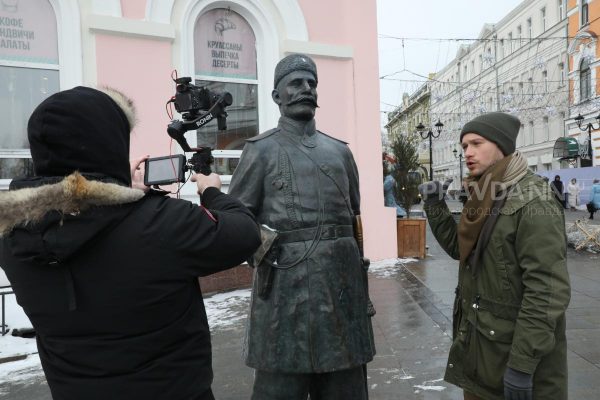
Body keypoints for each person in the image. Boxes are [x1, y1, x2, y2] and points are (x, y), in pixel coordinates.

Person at [0, 86, 261, 400]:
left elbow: (84, 215)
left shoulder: (13, 235)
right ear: (109, 143)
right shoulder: (162, 223)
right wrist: (212, 191)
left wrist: (119, 187)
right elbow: (244, 232)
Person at [228, 54, 375, 400]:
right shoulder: (259, 151)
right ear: (277, 95)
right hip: (284, 290)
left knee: (345, 384)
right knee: (279, 386)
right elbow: (237, 221)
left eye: (312, 83)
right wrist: (269, 246)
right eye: (296, 83)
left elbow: (354, 216)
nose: (306, 89)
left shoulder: (340, 152)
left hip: (340, 290)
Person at [418, 112, 570, 400]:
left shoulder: (533, 198)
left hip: (515, 360)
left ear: (501, 146)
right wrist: (435, 206)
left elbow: (547, 290)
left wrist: (522, 366)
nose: (468, 153)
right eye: (464, 146)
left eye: (476, 143)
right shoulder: (483, 193)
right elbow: (461, 250)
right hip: (480, 353)